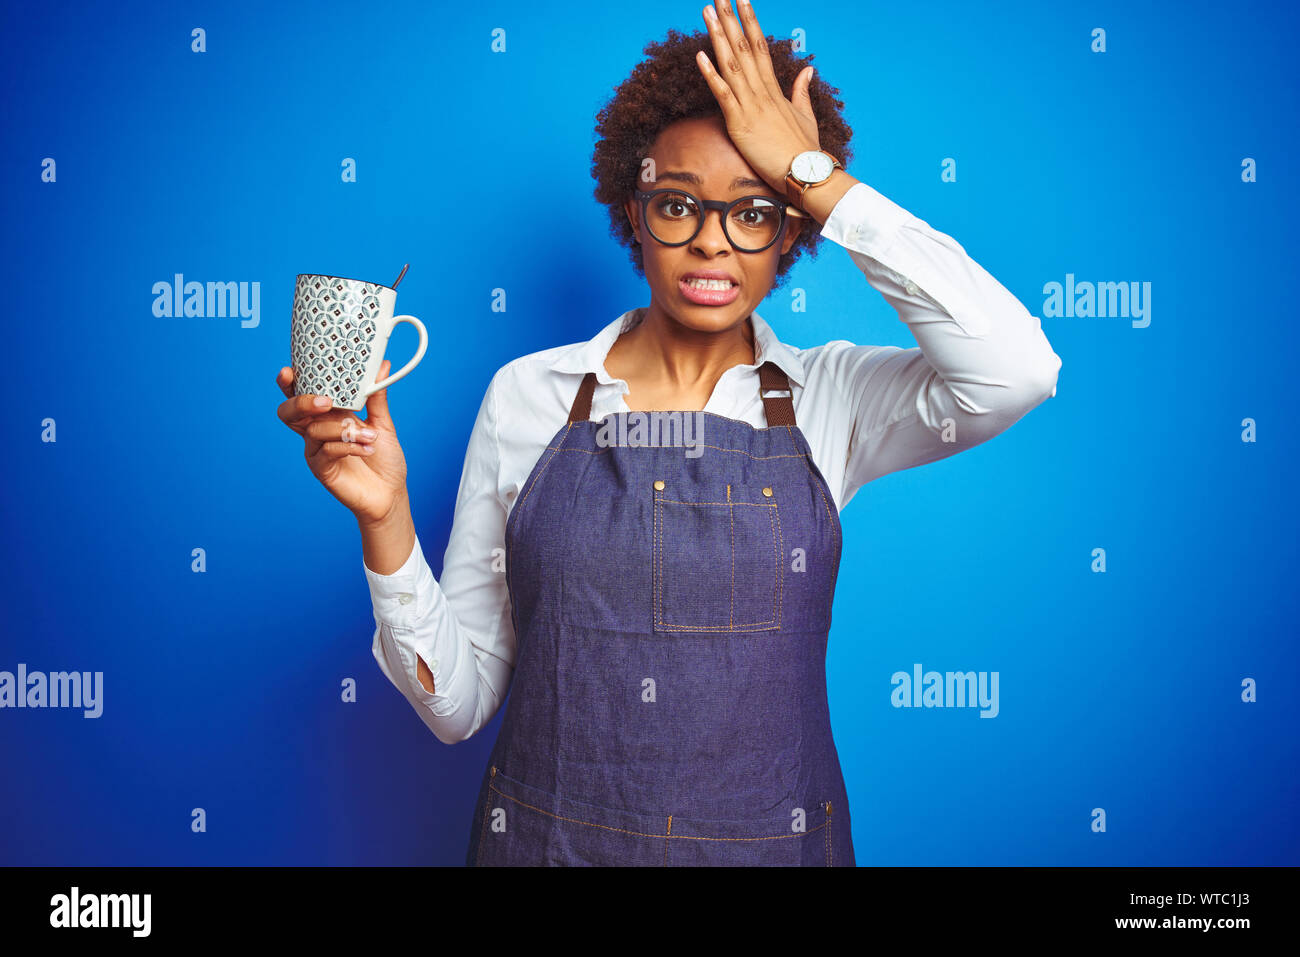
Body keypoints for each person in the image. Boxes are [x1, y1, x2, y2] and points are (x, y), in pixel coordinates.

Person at [275, 0, 1062, 866]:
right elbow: (455, 706)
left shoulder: (831, 397)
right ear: (632, 210)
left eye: (755, 211)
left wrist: (815, 176)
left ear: (791, 231)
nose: (713, 245)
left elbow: (1017, 367)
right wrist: (385, 523)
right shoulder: (528, 396)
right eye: (678, 206)